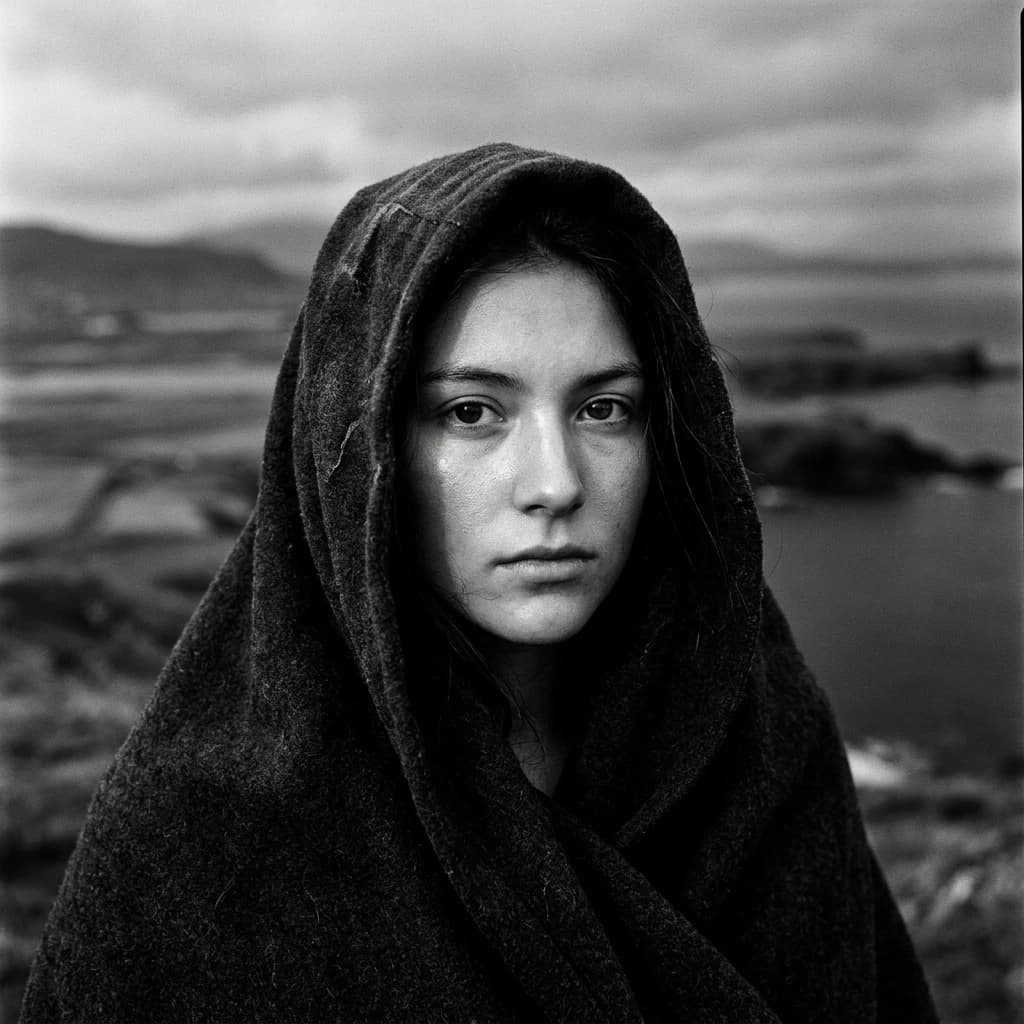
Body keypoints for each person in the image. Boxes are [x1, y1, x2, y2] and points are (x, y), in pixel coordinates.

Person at [21, 143, 938, 1022]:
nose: (555, 484)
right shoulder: (197, 846)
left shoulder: (766, 746)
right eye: (471, 413)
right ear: (363, 447)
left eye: (605, 408)